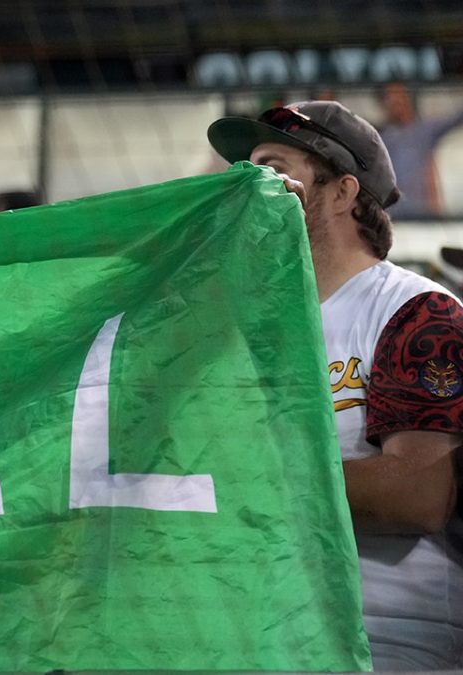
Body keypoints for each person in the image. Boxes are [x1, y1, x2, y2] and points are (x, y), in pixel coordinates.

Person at [208, 101, 463, 671]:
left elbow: (420, 495)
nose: (250, 185)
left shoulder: (416, 312)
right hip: (255, 633)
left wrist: (242, 477)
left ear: (344, 192)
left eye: (273, 167)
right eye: (243, 169)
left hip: (388, 640)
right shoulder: (237, 327)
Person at [378, 82, 463, 220]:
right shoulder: (380, 138)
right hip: (395, 218)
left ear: (408, 99)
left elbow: (455, 119)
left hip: (425, 214)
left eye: (400, 96)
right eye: (391, 98)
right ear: (384, 105)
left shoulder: (424, 130)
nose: (397, 102)